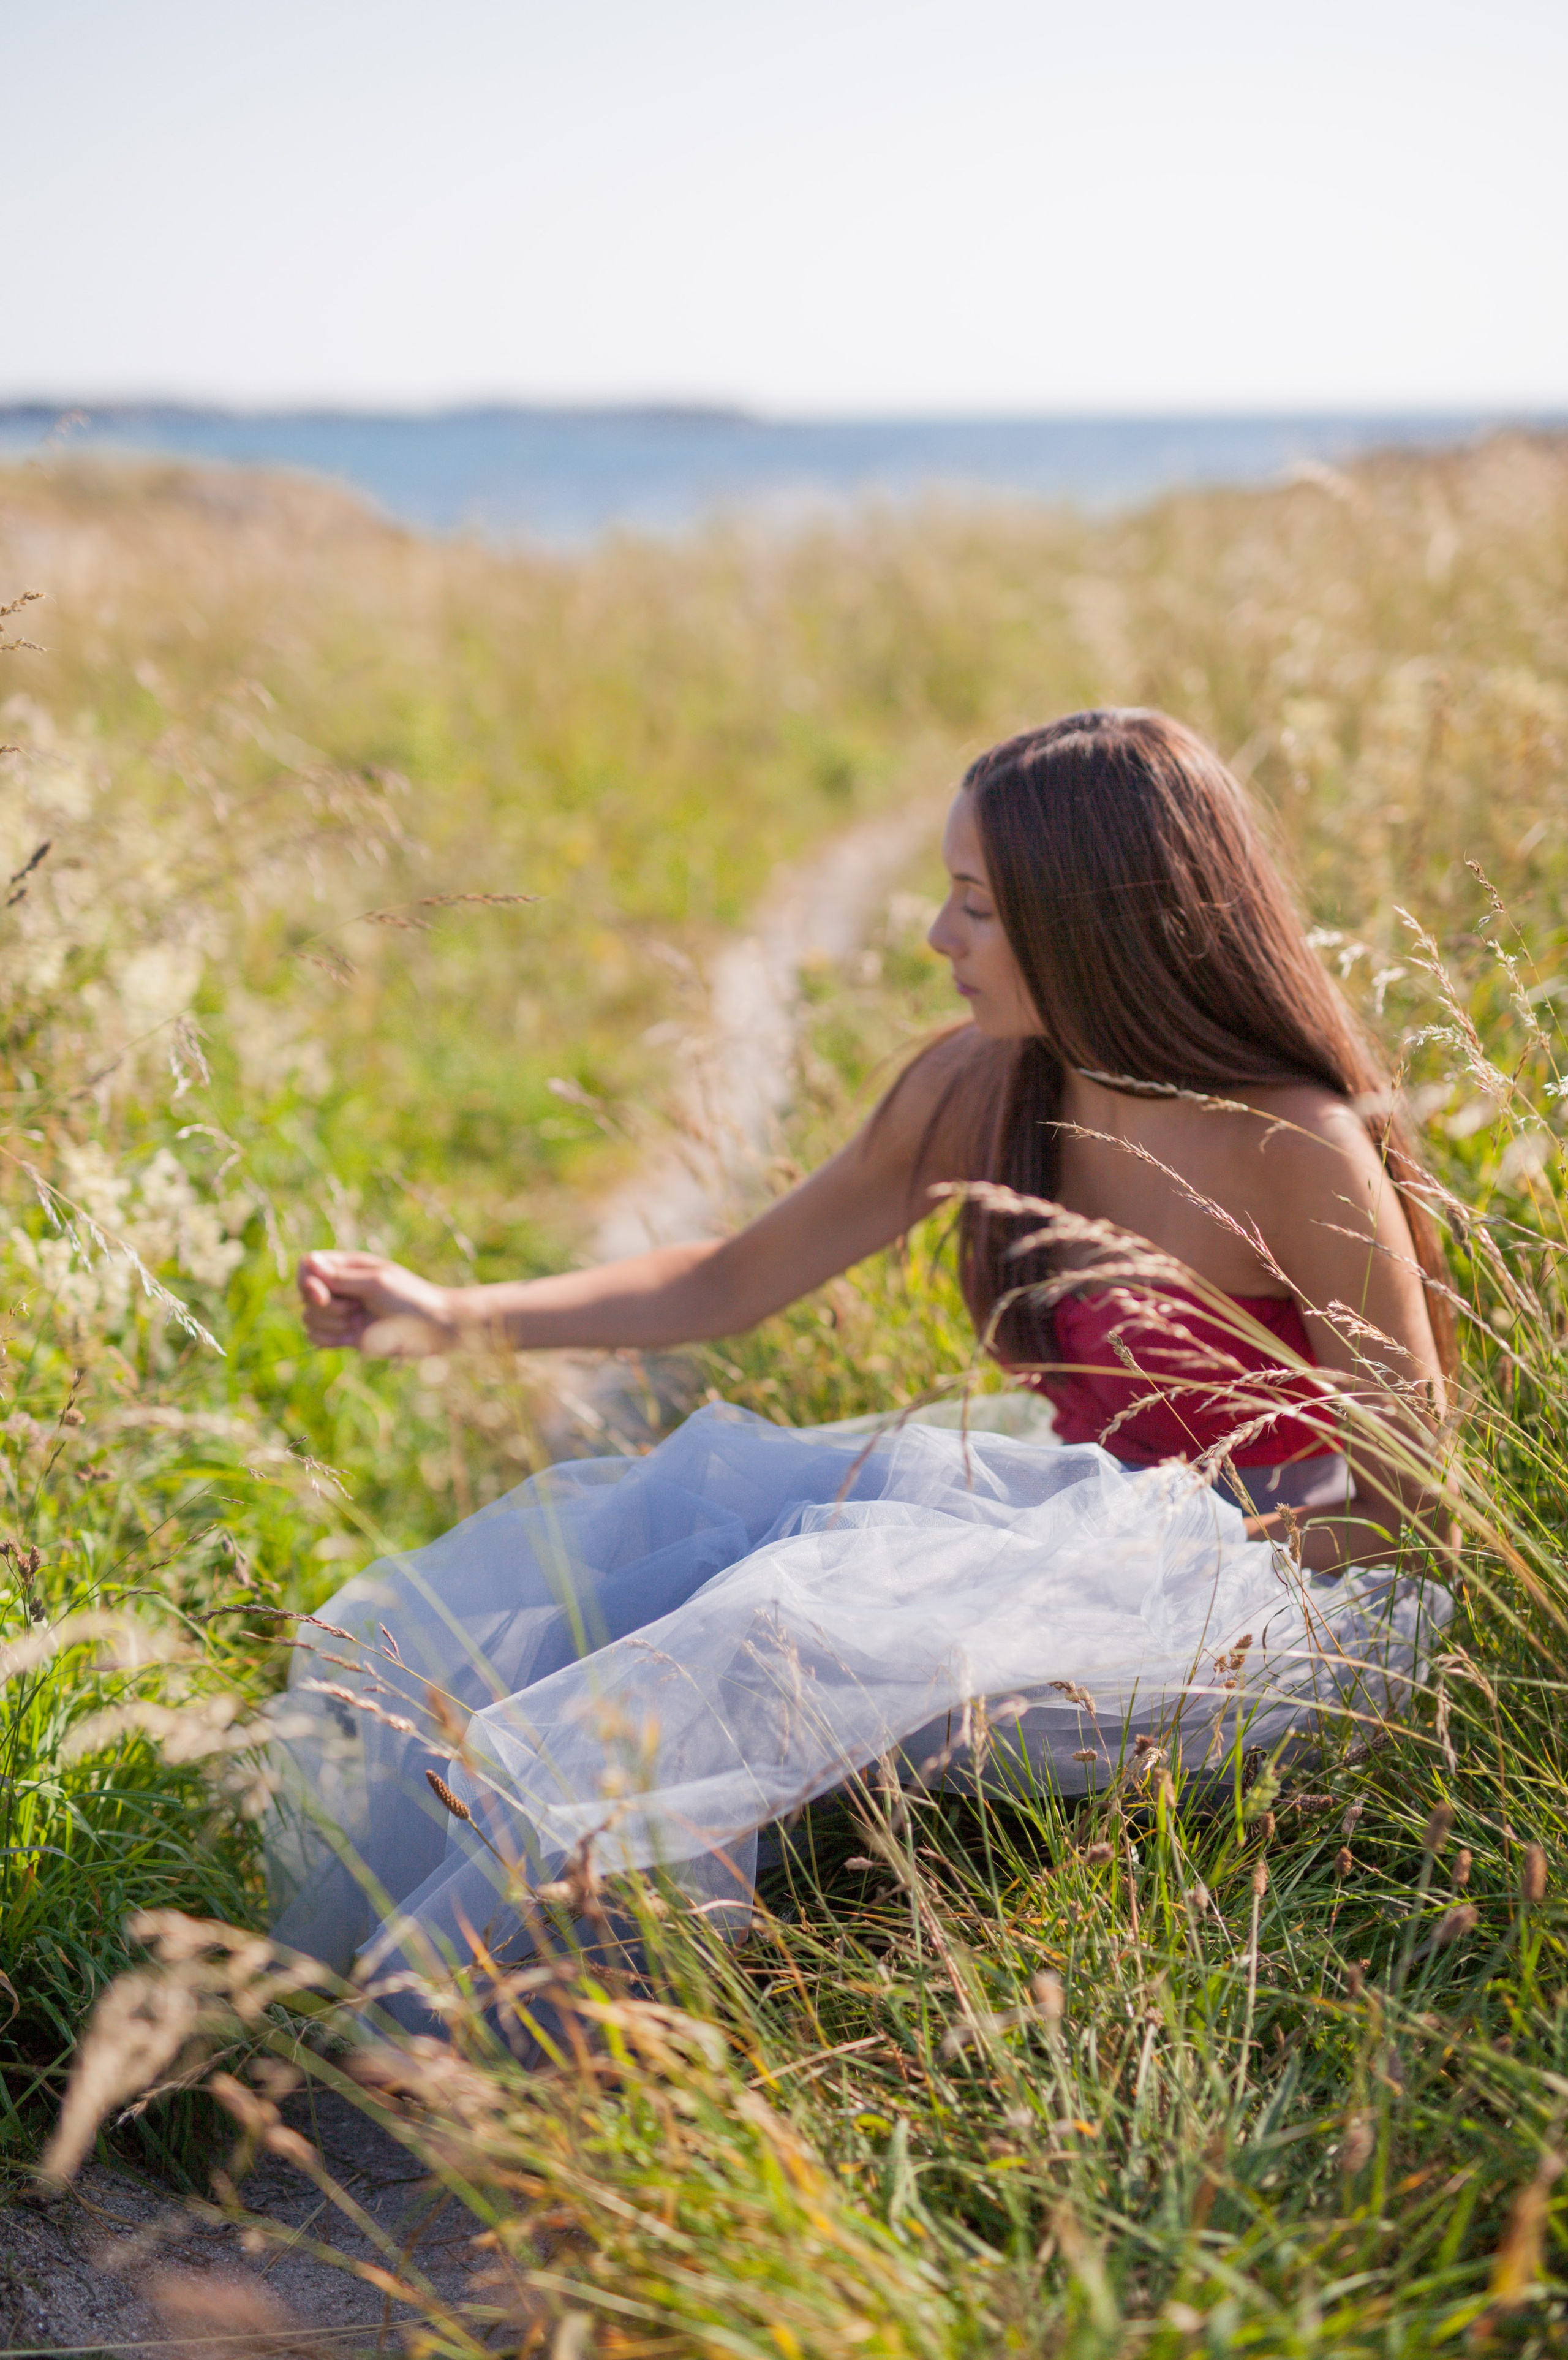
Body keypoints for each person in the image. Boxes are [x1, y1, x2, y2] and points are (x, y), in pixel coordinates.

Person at [270, 709, 1454, 1981]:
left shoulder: (1292, 1142)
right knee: (673, 1552)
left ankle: (555, 2009)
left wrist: (1157, 1581)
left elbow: (1411, 1503)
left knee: (775, 1621)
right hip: (1060, 1525)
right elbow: (729, 1280)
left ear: (1095, 925)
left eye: (977, 908)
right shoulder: (985, 1088)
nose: (938, 937)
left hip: (1266, 1599)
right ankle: (479, 1955)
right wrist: (452, 1315)